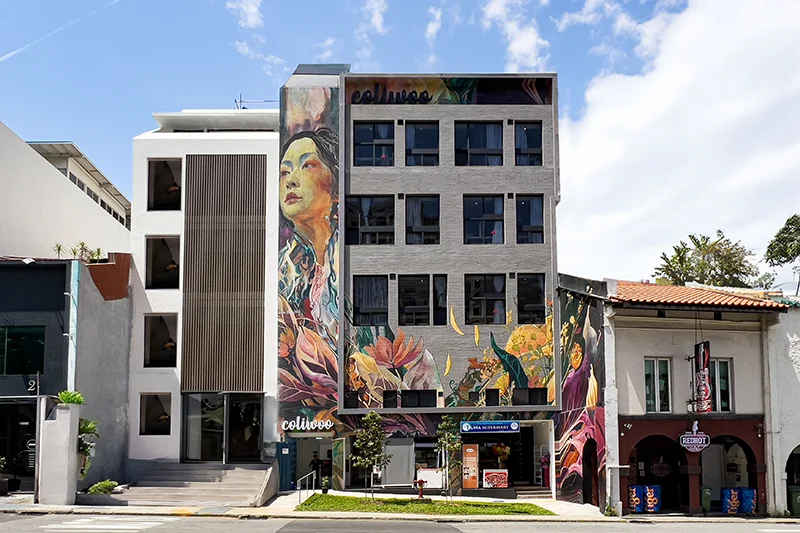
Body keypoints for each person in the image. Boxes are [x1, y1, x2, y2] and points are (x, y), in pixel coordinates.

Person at [278, 128, 340, 346]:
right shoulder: (282, 269)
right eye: (284, 172)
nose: (290, 181)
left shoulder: (353, 256)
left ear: (336, 188)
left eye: (307, 165)